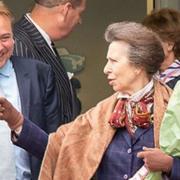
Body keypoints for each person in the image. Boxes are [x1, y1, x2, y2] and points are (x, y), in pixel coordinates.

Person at [1, 22, 180, 179]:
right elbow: (57, 148)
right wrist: (16, 120)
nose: (105, 69)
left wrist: (171, 166)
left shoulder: (173, 108)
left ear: (139, 65)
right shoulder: (101, 114)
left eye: (113, 61)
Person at [0, 2, 61, 180]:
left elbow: (53, 143)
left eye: (5, 38)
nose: (0, 47)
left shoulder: (39, 73)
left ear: (13, 38)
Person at [13, 0, 86, 122]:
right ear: (66, 9)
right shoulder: (19, 45)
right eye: (80, 13)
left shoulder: (39, 40)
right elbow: (29, 119)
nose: (79, 20)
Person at [142, 8, 180, 89]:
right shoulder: (147, 77)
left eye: (151, 41)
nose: (145, 46)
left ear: (170, 45)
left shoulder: (177, 81)